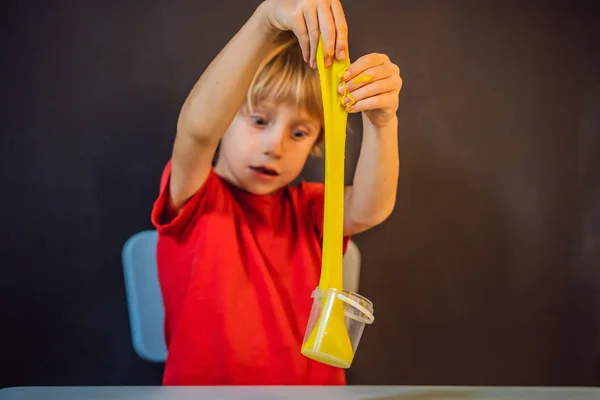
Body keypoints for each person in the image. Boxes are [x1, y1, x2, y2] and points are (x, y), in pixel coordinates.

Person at [150, 0, 402, 386]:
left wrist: (381, 122)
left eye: (299, 132)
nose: (275, 145)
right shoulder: (197, 200)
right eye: (259, 120)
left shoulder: (312, 209)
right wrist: (266, 20)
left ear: (318, 141)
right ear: (225, 117)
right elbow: (197, 132)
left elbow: (370, 208)